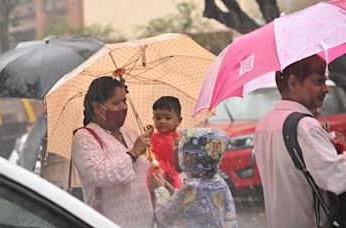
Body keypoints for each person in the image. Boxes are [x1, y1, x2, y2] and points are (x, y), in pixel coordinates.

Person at [254, 54, 346, 228]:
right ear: (293, 83)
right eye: (318, 82)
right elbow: (339, 179)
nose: (326, 88)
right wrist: (344, 152)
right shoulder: (305, 127)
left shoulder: (264, 124)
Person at [72, 76, 155, 227]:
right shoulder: (84, 137)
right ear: (97, 108)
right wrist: (134, 153)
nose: (123, 107)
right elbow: (98, 174)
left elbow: (145, 173)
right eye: (116, 103)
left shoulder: (130, 133)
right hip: (109, 222)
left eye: (124, 101)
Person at [149, 128, 237, 228]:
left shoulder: (192, 187)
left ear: (194, 158)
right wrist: (166, 185)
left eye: (186, 154)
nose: (183, 159)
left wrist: (159, 189)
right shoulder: (218, 181)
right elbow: (184, 200)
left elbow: (165, 216)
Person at [150, 96, 183, 189]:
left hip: (172, 179)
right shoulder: (152, 137)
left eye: (168, 118)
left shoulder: (178, 140)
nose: (162, 121)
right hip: (155, 178)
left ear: (179, 121)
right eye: (158, 118)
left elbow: (180, 167)